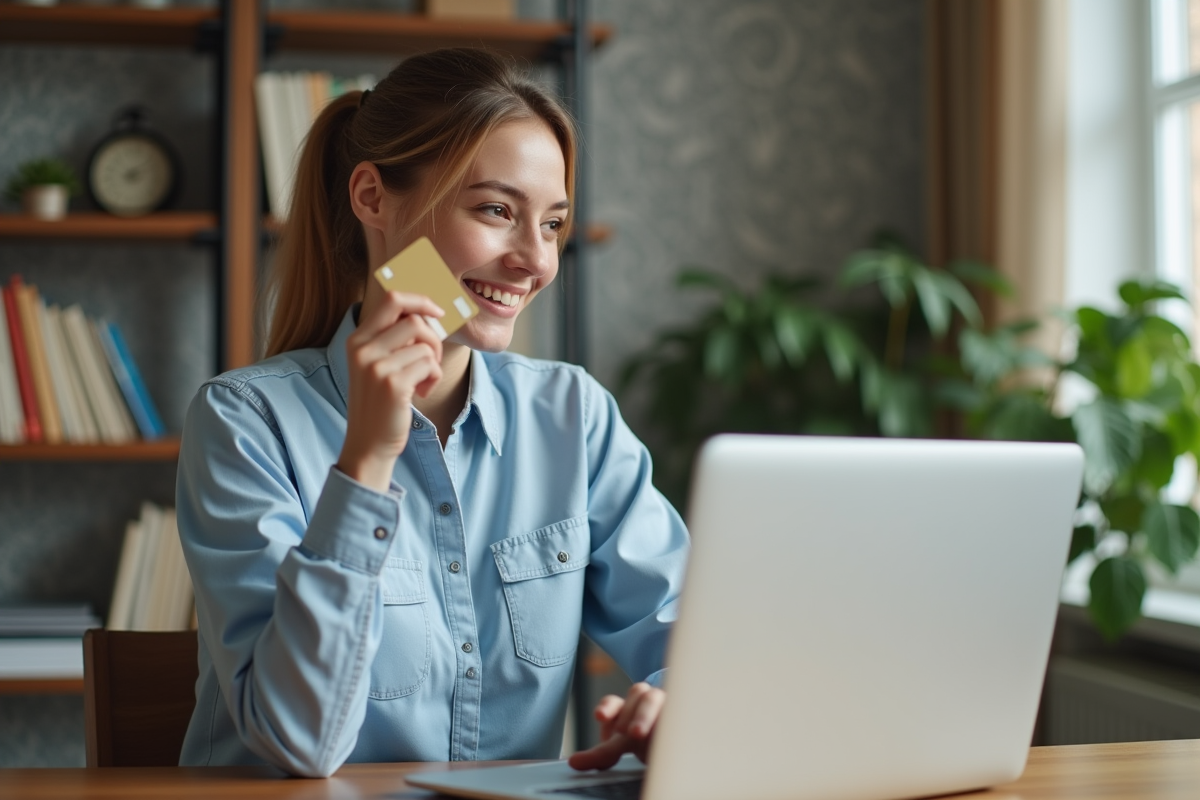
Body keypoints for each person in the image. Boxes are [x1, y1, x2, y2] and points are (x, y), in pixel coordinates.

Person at [176, 48, 690, 778]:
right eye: (496, 211)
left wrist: (677, 702)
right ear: (372, 197)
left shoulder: (572, 416)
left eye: (551, 224)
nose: (533, 261)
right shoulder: (243, 422)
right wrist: (366, 464)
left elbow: (693, 647)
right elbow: (298, 742)